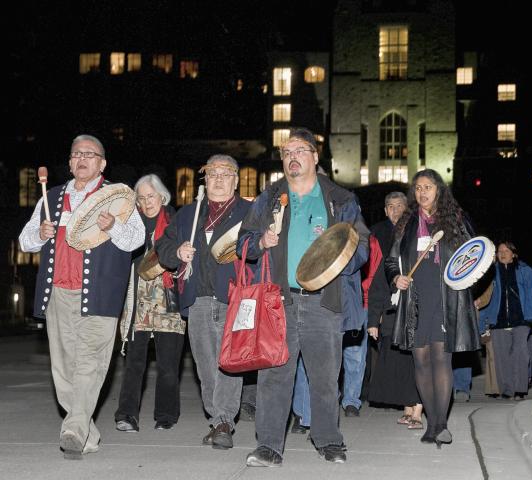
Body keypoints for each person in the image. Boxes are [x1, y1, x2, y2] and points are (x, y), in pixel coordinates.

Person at [238, 127, 369, 466]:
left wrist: (338, 262)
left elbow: (362, 246)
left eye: (299, 150)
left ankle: (328, 439)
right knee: (274, 376)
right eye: (286, 152)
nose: (292, 157)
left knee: (325, 377)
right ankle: (268, 446)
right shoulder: (269, 198)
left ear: (314, 156)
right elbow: (242, 243)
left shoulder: (340, 199)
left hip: (323, 301)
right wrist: (260, 242)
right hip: (278, 301)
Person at [18, 134, 145, 459]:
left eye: (90, 154)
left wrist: (114, 225)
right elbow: (25, 242)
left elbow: (136, 240)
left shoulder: (117, 196)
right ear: (70, 162)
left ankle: (73, 428)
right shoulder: (52, 197)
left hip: (100, 295)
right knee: (63, 369)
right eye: (76, 154)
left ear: (102, 163)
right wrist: (40, 233)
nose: (82, 158)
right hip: (57, 292)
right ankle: (86, 431)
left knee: (90, 363)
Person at [155, 154, 253, 449]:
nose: (219, 179)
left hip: (234, 298)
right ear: (205, 180)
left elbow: (263, 247)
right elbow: (163, 245)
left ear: (236, 180)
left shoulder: (250, 212)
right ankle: (218, 419)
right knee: (206, 365)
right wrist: (177, 252)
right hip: (197, 300)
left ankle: (223, 420)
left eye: (226, 174)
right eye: (213, 174)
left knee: (229, 362)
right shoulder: (189, 214)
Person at [385, 169, 479, 448]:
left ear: (439, 189)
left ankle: (439, 424)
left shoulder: (456, 220)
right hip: (416, 300)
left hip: (445, 299)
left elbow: (474, 256)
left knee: (441, 359)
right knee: (421, 361)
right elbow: (391, 261)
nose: (422, 192)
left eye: (428, 187)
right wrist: (395, 277)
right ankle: (433, 421)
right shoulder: (407, 222)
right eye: (417, 188)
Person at [115, 174, 186, 432]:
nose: (147, 202)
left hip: (168, 299)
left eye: (151, 196)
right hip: (137, 300)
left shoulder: (176, 221)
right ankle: (126, 415)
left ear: (162, 196)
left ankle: (166, 415)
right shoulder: (131, 223)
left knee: (168, 363)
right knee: (134, 362)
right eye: (142, 198)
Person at [367, 191, 424, 429]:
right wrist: (373, 320)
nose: (396, 210)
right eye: (391, 206)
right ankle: (407, 407)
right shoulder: (384, 240)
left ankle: (418, 411)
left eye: (401, 206)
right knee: (398, 361)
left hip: (417, 309)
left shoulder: (420, 238)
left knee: (416, 360)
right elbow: (378, 283)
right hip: (393, 309)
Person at [479, 242, 532, 400]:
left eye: (506, 250)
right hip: (498, 320)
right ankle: (507, 389)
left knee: (521, 354)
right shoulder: (490, 272)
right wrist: (482, 322)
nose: (502, 253)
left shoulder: (525, 271)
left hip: (521, 320)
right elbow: (484, 297)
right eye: (499, 251)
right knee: (502, 357)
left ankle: (520, 389)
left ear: (514, 254)